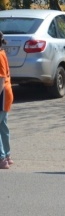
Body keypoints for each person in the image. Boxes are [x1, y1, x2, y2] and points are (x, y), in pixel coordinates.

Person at [0, 31, 13, 170]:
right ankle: (7, 156)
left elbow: (1, 79)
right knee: (3, 126)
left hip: (2, 95)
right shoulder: (2, 52)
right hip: (6, 94)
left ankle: (2, 158)